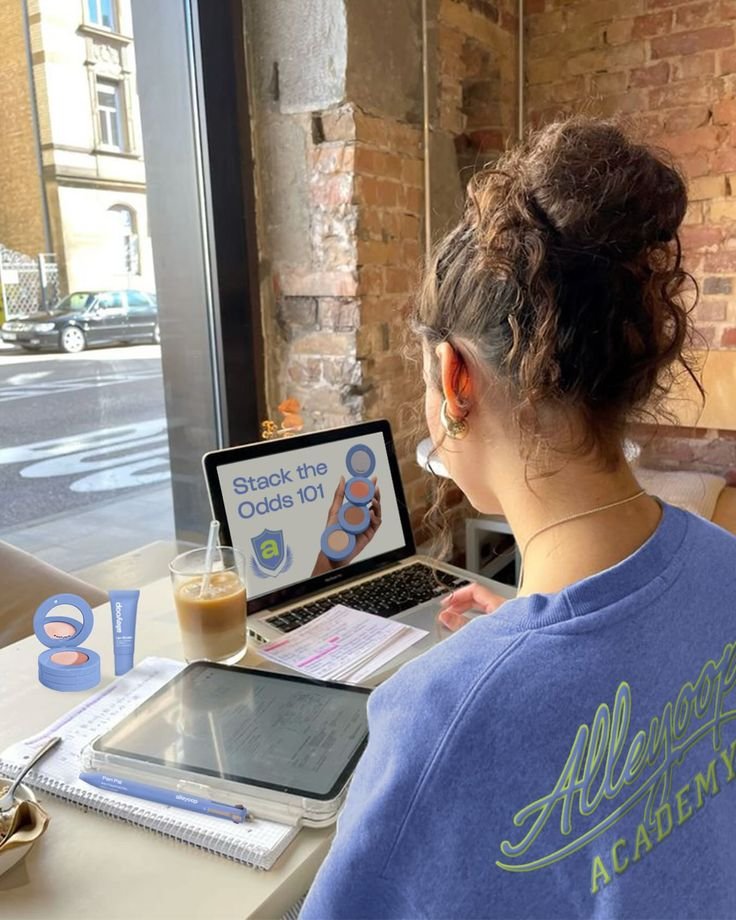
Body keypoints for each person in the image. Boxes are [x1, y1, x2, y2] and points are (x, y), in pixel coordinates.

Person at [299, 116, 736, 919]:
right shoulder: (727, 564)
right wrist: (527, 647)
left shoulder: (433, 719)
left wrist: (500, 678)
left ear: (454, 377)